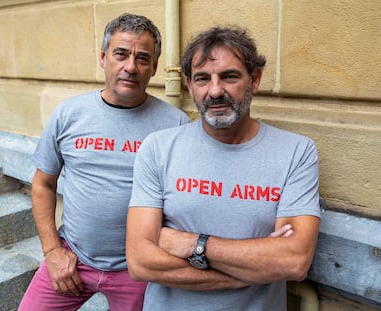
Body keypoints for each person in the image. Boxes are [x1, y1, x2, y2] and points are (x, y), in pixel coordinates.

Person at [126, 26, 321, 311]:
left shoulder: (296, 152)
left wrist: (192, 243)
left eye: (229, 76)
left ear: (254, 79)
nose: (215, 91)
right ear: (190, 85)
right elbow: (141, 262)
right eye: (203, 79)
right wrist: (255, 269)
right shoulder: (158, 148)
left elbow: (293, 261)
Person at [18, 13, 189, 311]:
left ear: (154, 67)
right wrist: (52, 252)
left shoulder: (175, 124)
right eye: (120, 54)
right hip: (72, 258)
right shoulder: (68, 114)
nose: (130, 67)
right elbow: (43, 183)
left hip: (139, 269)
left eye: (142, 58)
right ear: (103, 57)